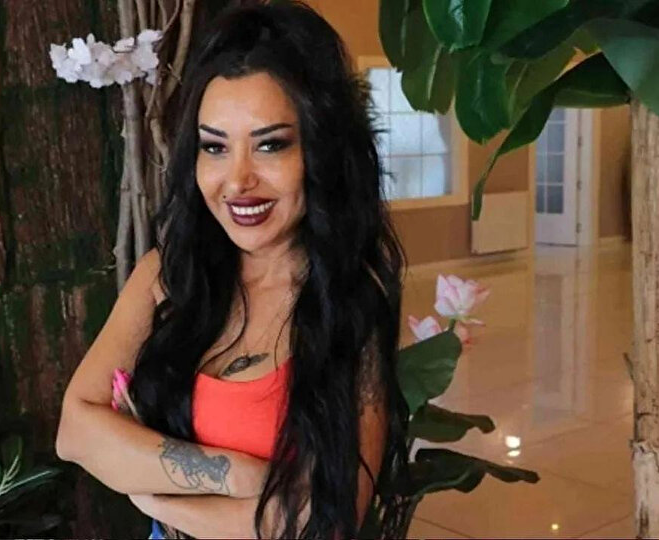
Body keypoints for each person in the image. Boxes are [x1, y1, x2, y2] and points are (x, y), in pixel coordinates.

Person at [55, 1, 410, 538]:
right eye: (215, 147)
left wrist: (154, 495)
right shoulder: (167, 277)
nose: (238, 180)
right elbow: (76, 431)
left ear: (319, 151)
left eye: (270, 145)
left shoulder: (350, 302)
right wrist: (240, 476)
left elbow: (324, 523)